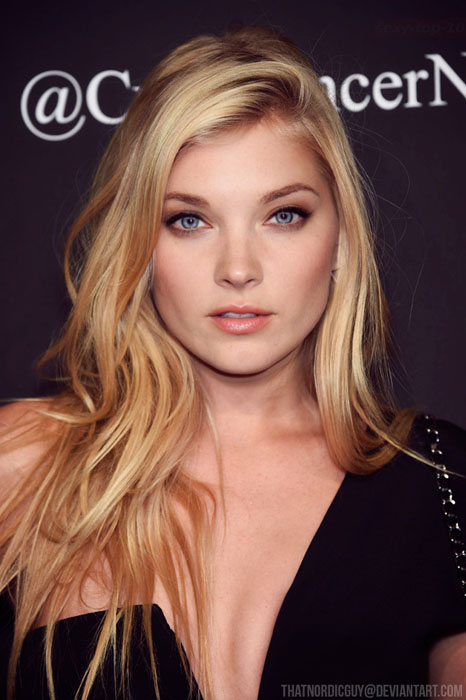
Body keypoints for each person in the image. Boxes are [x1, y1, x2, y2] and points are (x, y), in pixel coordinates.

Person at [0, 25, 465, 700]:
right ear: (140, 247)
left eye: (284, 215)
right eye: (189, 220)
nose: (239, 269)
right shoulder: (23, 466)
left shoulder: (443, 484)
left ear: (340, 239)